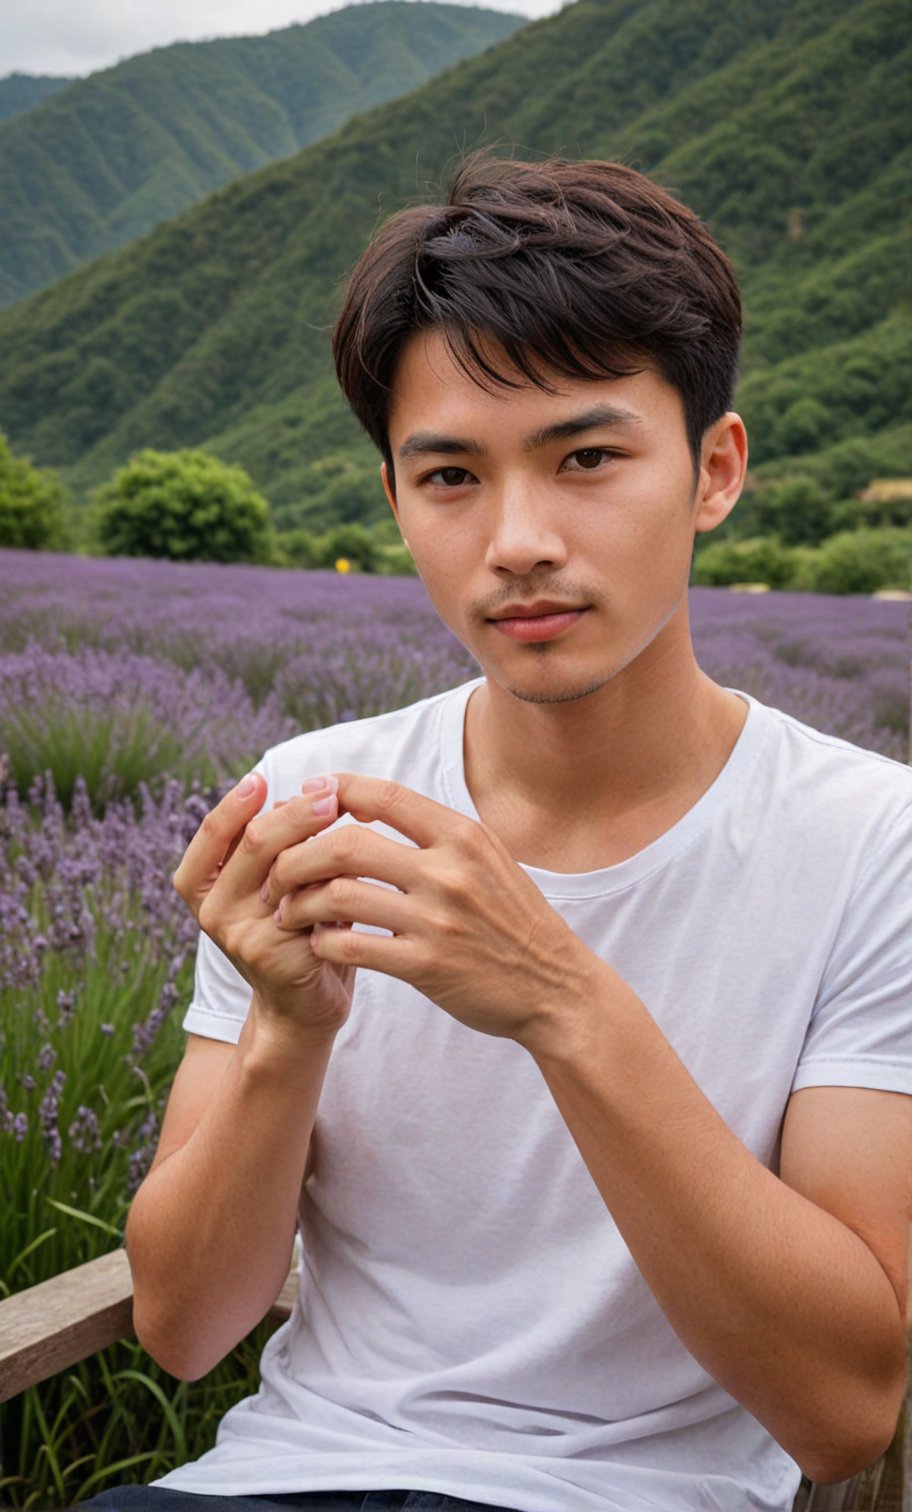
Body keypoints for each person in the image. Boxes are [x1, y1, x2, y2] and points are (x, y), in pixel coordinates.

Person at [83, 155, 911, 1512]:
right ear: (397, 505)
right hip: (282, 1484)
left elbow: (842, 1415)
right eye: (452, 475)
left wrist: (557, 997)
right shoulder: (313, 799)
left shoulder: (875, 845)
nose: (517, 540)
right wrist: (290, 1034)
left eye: (585, 458)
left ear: (714, 471)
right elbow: (184, 1328)